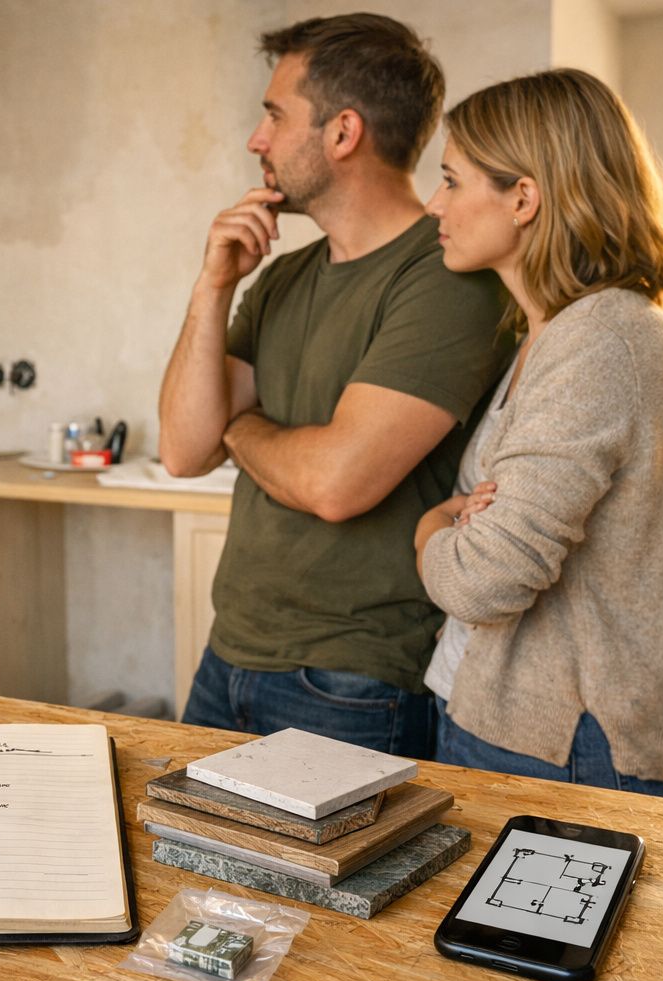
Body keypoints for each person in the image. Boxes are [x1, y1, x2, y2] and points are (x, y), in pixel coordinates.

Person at [159, 14, 508, 757]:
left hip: (353, 682)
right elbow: (185, 450)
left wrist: (242, 426)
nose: (257, 139)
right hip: (229, 654)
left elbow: (336, 484)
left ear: (343, 132)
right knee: (184, 875)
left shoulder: (447, 278)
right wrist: (211, 286)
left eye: (274, 115)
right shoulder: (280, 276)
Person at [414, 68, 663, 795]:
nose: (432, 203)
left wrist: (428, 530)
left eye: (450, 180)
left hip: (560, 741)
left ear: (524, 197)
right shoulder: (552, 333)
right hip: (499, 717)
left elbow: (483, 581)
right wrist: (458, 522)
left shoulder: (604, 341)